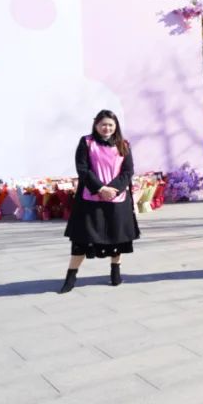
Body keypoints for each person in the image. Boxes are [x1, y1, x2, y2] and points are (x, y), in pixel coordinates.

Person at [60, 110, 140, 293]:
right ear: (96, 125)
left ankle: (115, 271)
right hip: (90, 200)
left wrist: (113, 189)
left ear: (116, 126)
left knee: (117, 237)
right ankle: (70, 277)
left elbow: (128, 171)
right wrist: (100, 189)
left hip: (117, 198)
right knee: (82, 239)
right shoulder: (87, 142)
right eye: (103, 124)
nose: (107, 128)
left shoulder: (123, 144)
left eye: (111, 125)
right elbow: (82, 168)